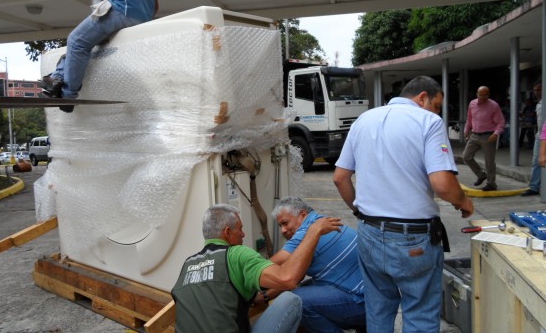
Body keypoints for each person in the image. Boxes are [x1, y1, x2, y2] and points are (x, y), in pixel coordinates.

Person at [333, 76, 474, 333]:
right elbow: (443, 184)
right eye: (436, 104)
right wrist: (464, 201)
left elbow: (340, 177)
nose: (437, 111)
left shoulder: (363, 120)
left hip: (369, 232)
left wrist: (359, 212)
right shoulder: (428, 121)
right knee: (419, 314)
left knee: (377, 311)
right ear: (423, 98)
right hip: (414, 238)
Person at [171, 204, 342, 333]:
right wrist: (313, 232)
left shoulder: (188, 264)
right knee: (292, 299)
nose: (244, 234)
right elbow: (287, 278)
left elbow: (246, 296)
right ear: (227, 232)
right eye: (241, 229)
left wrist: (265, 294)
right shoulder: (236, 254)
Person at [41, 0, 159, 113]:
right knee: (87, 42)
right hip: (144, 18)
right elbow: (156, 7)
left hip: (122, 9)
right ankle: (57, 77)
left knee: (76, 40)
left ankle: (68, 96)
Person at [267, 197, 365, 333]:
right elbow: (295, 277)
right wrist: (265, 296)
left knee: (297, 301)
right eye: (280, 226)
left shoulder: (308, 232)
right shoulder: (321, 220)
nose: (283, 230)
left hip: (362, 303)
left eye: (285, 223)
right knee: (302, 288)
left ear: (303, 215)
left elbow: (270, 268)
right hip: (374, 295)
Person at [462, 86, 505, 191]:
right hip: (474, 135)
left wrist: (496, 133)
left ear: (489, 94)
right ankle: (481, 175)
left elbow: (500, 122)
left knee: (489, 161)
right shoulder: (472, 104)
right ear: (477, 94)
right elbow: (469, 118)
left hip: (488, 136)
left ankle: (491, 183)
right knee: (466, 157)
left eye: (486, 94)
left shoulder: (494, 105)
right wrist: (466, 130)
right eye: (482, 95)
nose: (484, 97)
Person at [522, 81, 543, 196]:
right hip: (540, 136)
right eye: (535, 90)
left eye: (538, 90)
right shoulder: (539, 103)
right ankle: (534, 187)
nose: (536, 92)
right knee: (536, 162)